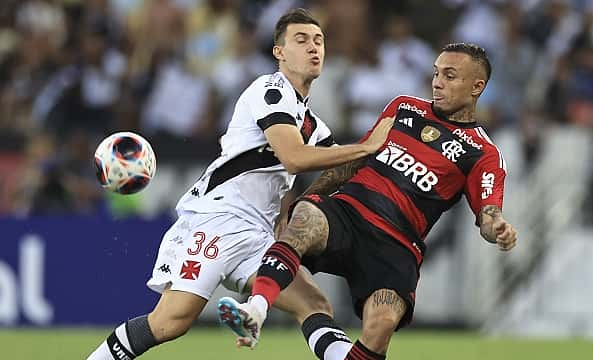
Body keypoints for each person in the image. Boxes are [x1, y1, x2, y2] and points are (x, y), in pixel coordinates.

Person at [87, 8, 394, 360]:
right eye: (301, 40)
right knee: (170, 322)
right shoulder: (270, 91)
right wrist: (367, 145)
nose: (314, 48)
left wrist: (393, 148)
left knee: (313, 303)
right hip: (219, 220)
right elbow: (294, 157)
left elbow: (338, 165)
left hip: (255, 233)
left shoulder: (310, 121)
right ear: (279, 52)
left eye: (319, 41)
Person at [218, 43, 518, 359]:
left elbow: (488, 212)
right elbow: (356, 159)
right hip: (348, 213)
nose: (437, 82)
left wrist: (496, 226)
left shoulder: (483, 153)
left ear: (477, 86)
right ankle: (256, 310)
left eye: (450, 75)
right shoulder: (404, 107)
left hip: (397, 244)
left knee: (381, 326)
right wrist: (305, 201)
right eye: (436, 73)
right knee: (305, 218)